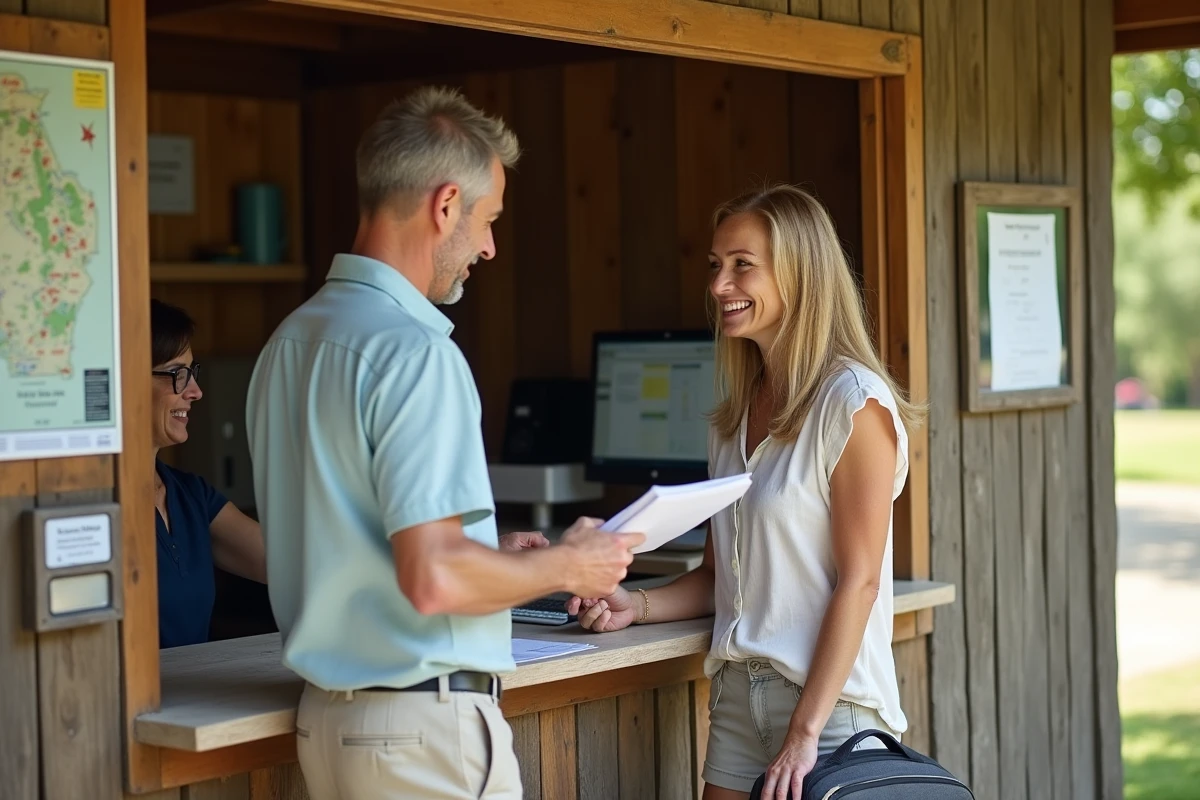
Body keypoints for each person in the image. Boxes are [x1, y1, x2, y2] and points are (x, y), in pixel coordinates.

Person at [245, 86, 644, 800]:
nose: (489, 247)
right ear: (446, 204)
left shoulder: (291, 341)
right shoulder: (414, 352)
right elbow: (431, 578)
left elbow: (364, 547)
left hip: (329, 733)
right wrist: (569, 566)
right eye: (488, 221)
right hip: (421, 735)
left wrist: (494, 557)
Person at [567, 184, 925, 800]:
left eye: (741, 266)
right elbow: (720, 575)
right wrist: (636, 603)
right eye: (714, 266)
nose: (718, 286)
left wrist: (804, 730)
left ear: (800, 273)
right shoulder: (736, 415)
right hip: (737, 700)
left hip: (831, 712)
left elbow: (860, 580)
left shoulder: (852, 404)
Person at [150, 298, 267, 649]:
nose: (195, 392)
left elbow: (288, 567)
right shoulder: (91, 502)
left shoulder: (191, 496)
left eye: (191, 372)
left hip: (191, 702)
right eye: (176, 374)